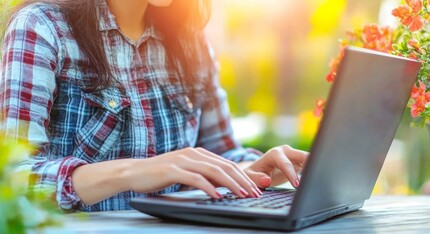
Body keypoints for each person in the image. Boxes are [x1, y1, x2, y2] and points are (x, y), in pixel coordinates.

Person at [0, 0, 309, 212]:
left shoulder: (190, 42)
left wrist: (257, 171)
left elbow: (221, 152)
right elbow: (12, 182)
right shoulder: (41, 27)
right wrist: (133, 173)